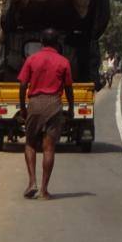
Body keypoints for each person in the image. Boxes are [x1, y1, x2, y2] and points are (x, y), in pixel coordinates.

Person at [18, 29, 73, 200]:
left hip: (35, 103)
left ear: (41, 42)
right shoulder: (63, 62)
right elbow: (68, 88)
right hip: (54, 105)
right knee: (49, 148)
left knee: (30, 143)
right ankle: (44, 190)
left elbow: (22, 85)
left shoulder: (32, 59)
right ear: (57, 43)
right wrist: (71, 107)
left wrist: (23, 107)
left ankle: (32, 182)